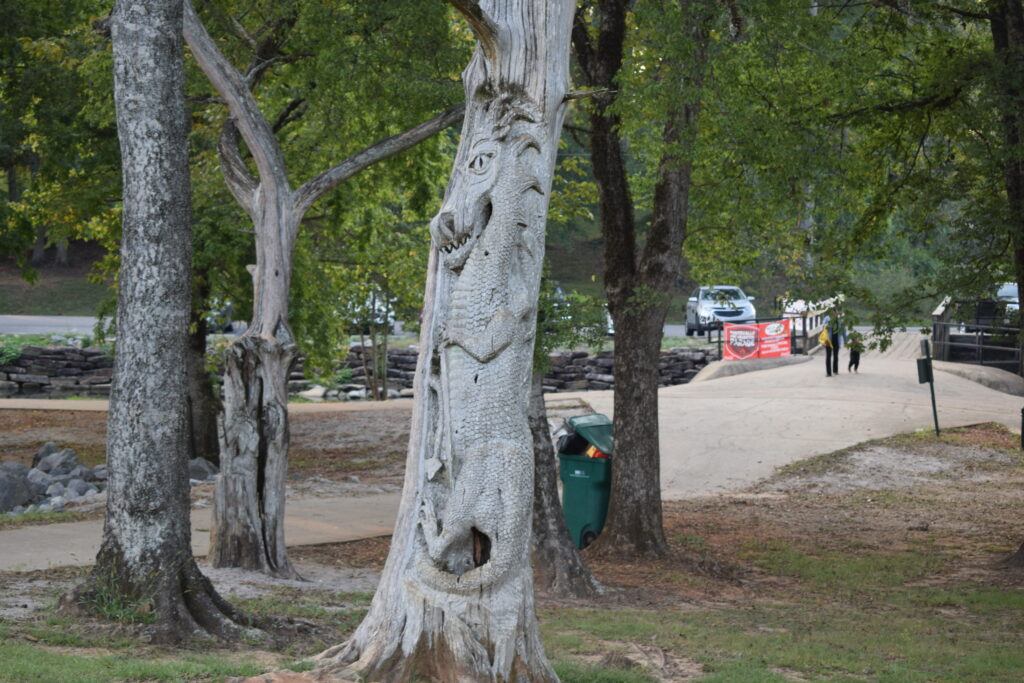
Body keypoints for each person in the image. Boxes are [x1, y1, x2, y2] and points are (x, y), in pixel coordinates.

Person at [822, 311, 843, 377]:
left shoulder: (839, 319)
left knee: (836, 356)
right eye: (834, 311)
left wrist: (844, 341)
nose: (836, 313)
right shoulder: (827, 319)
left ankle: (835, 370)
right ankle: (828, 373)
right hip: (828, 341)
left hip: (837, 340)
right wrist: (823, 341)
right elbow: (824, 329)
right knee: (828, 356)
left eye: (836, 312)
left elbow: (842, 330)